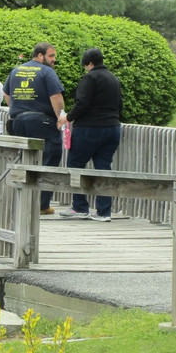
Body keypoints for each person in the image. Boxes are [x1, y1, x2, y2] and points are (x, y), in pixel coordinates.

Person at [58, 48, 123, 222]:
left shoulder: (90, 78)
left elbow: (82, 103)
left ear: (90, 63)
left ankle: (80, 206)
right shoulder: (114, 79)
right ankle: (104, 212)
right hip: (113, 128)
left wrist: (67, 118)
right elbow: (120, 105)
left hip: (89, 128)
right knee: (103, 168)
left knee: (75, 164)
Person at [3, 42, 64, 214]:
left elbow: (6, 94)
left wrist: (19, 108)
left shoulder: (16, 70)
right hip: (42, 122)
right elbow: (56, 96)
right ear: (39, 55)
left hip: (19, 121)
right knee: (50, 158)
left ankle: (23, 202)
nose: (54, 60)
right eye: (51, 56)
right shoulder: (47, 72)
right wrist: (60, 118)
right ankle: (41, 205)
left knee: (25, 160)